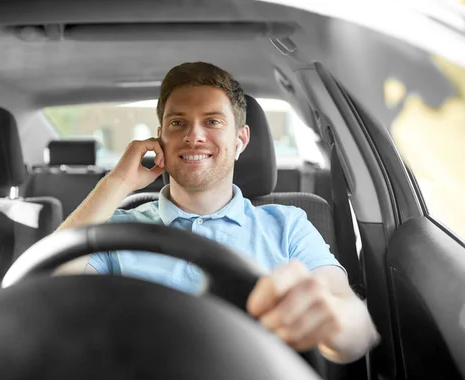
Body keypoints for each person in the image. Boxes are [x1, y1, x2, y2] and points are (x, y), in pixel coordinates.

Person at [55, 62, 379, 364]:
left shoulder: (288, 225)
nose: (194, 136)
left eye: (212, 121)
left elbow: (356, 325)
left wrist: (332, 321)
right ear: (160, 140)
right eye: (177, 123)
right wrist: (119, 181)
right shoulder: (117, 230)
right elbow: (42, 293)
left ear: (240, 140)